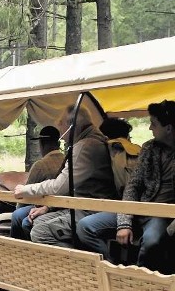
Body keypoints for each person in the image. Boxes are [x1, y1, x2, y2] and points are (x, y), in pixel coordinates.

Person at [80, 101, 175, 272]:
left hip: (162, 215)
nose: (149, 129)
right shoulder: (149, 149)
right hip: (139, 208)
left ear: (168, 128)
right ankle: (112, 269)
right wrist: (124, 222)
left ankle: (139, 280)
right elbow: (133, 186)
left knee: (152, 241)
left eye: (153, 124)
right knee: (85, 226)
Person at [14, 105, 117, 247]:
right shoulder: (91, 141)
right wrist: (48, 208)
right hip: (81, 205)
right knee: (35, 221)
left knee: (40, 232)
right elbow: (73, 186)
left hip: (89, 209)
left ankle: (78, 264)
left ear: (72, 125)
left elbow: (60, 186)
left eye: (61, 122)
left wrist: (25, 190)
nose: (58, 126)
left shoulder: (85, 147)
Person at [76, 117, 141, 260]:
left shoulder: (104, 152)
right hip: (132, 209)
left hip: (124, 210)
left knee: (85, 226)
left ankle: (108, 264)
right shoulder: (136, 151)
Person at [10, 125, 65, 240]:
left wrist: (18, 207)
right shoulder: (66, 160)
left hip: (49, 206)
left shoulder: (40, 165)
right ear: (58, 144)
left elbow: (25, 195)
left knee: (17, 215)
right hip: (64, 205)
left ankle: (17, 247)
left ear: (42, 144)